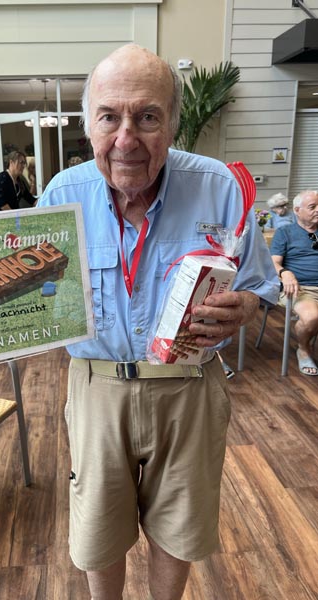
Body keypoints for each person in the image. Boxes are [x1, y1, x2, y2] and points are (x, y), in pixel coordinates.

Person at [38, 44, 278, 599]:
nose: (127, 139)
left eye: (147, 117)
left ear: (173, 123)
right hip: (97, 386)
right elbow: (39, 299)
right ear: (88, 124)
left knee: (180, 523)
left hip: (190, 387)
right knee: (98, 530)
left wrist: (242, 308)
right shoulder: (60, 196)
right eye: (110, 117)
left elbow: (258, 288)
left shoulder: (219, 187)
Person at [270, 189, 318, 376]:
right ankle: (304, 349)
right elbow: (273, 262)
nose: (317, 210)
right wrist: (285, 273)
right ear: (297, 210)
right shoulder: (285, 232)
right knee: (312, 317)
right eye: (312, 207)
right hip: (300, 288)